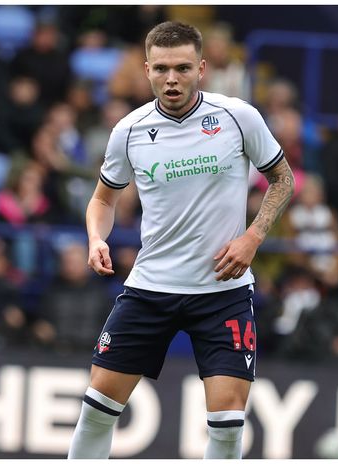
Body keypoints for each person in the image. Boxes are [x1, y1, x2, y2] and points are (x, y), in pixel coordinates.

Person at [67, 21, 295, 459]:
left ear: (202, 69)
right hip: (151, 287)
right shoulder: (129, 131)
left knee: (228, 424)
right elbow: (102, 200)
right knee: (97, 406)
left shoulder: (238, 116)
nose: (172, 79)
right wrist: (97, 237)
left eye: (183, 68)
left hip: (222, 292)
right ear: (147, 69)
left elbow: (281, 179)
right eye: (163, 69)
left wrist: (253, 236)